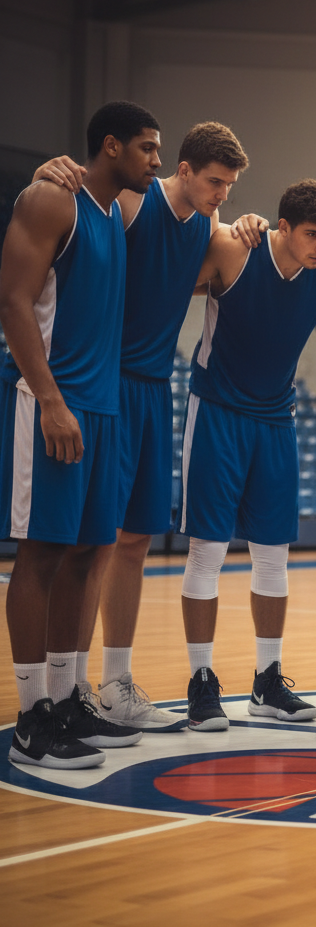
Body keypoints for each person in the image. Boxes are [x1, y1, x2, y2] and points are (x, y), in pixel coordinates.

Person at [32, 122, 262, 733]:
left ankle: (116, 683)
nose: (222, 194)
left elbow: (227, 264)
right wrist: (48, 173)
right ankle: (69, 685)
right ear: (183, 170)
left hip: (155, 389)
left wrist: (248, 223)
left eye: (231, 186)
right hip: (104, 382)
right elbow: (72, 206)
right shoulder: (133, 201)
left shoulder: (210, 228)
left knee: (133, 542)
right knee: (93, 542)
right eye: (215, 182)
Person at [1, 101, 162, 768]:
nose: (156, 160)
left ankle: (68, 699)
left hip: (103, 408)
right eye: (148, 147)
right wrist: (50, 400)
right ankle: (32, 718)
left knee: (85, 554)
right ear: (111, 145)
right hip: (53, 402)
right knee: (41, 554)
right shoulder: (51, 200)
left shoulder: (114, 213)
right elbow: (14, 301)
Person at [178, 179, 316, 730]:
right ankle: (201, 682)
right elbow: (171, 271)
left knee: (273, 556)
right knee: (207, 552)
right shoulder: (235, 249)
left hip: (277, 419)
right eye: (312, 234)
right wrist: (230, 222)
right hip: (218, 412)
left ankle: (267, 682)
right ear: (283, 227)